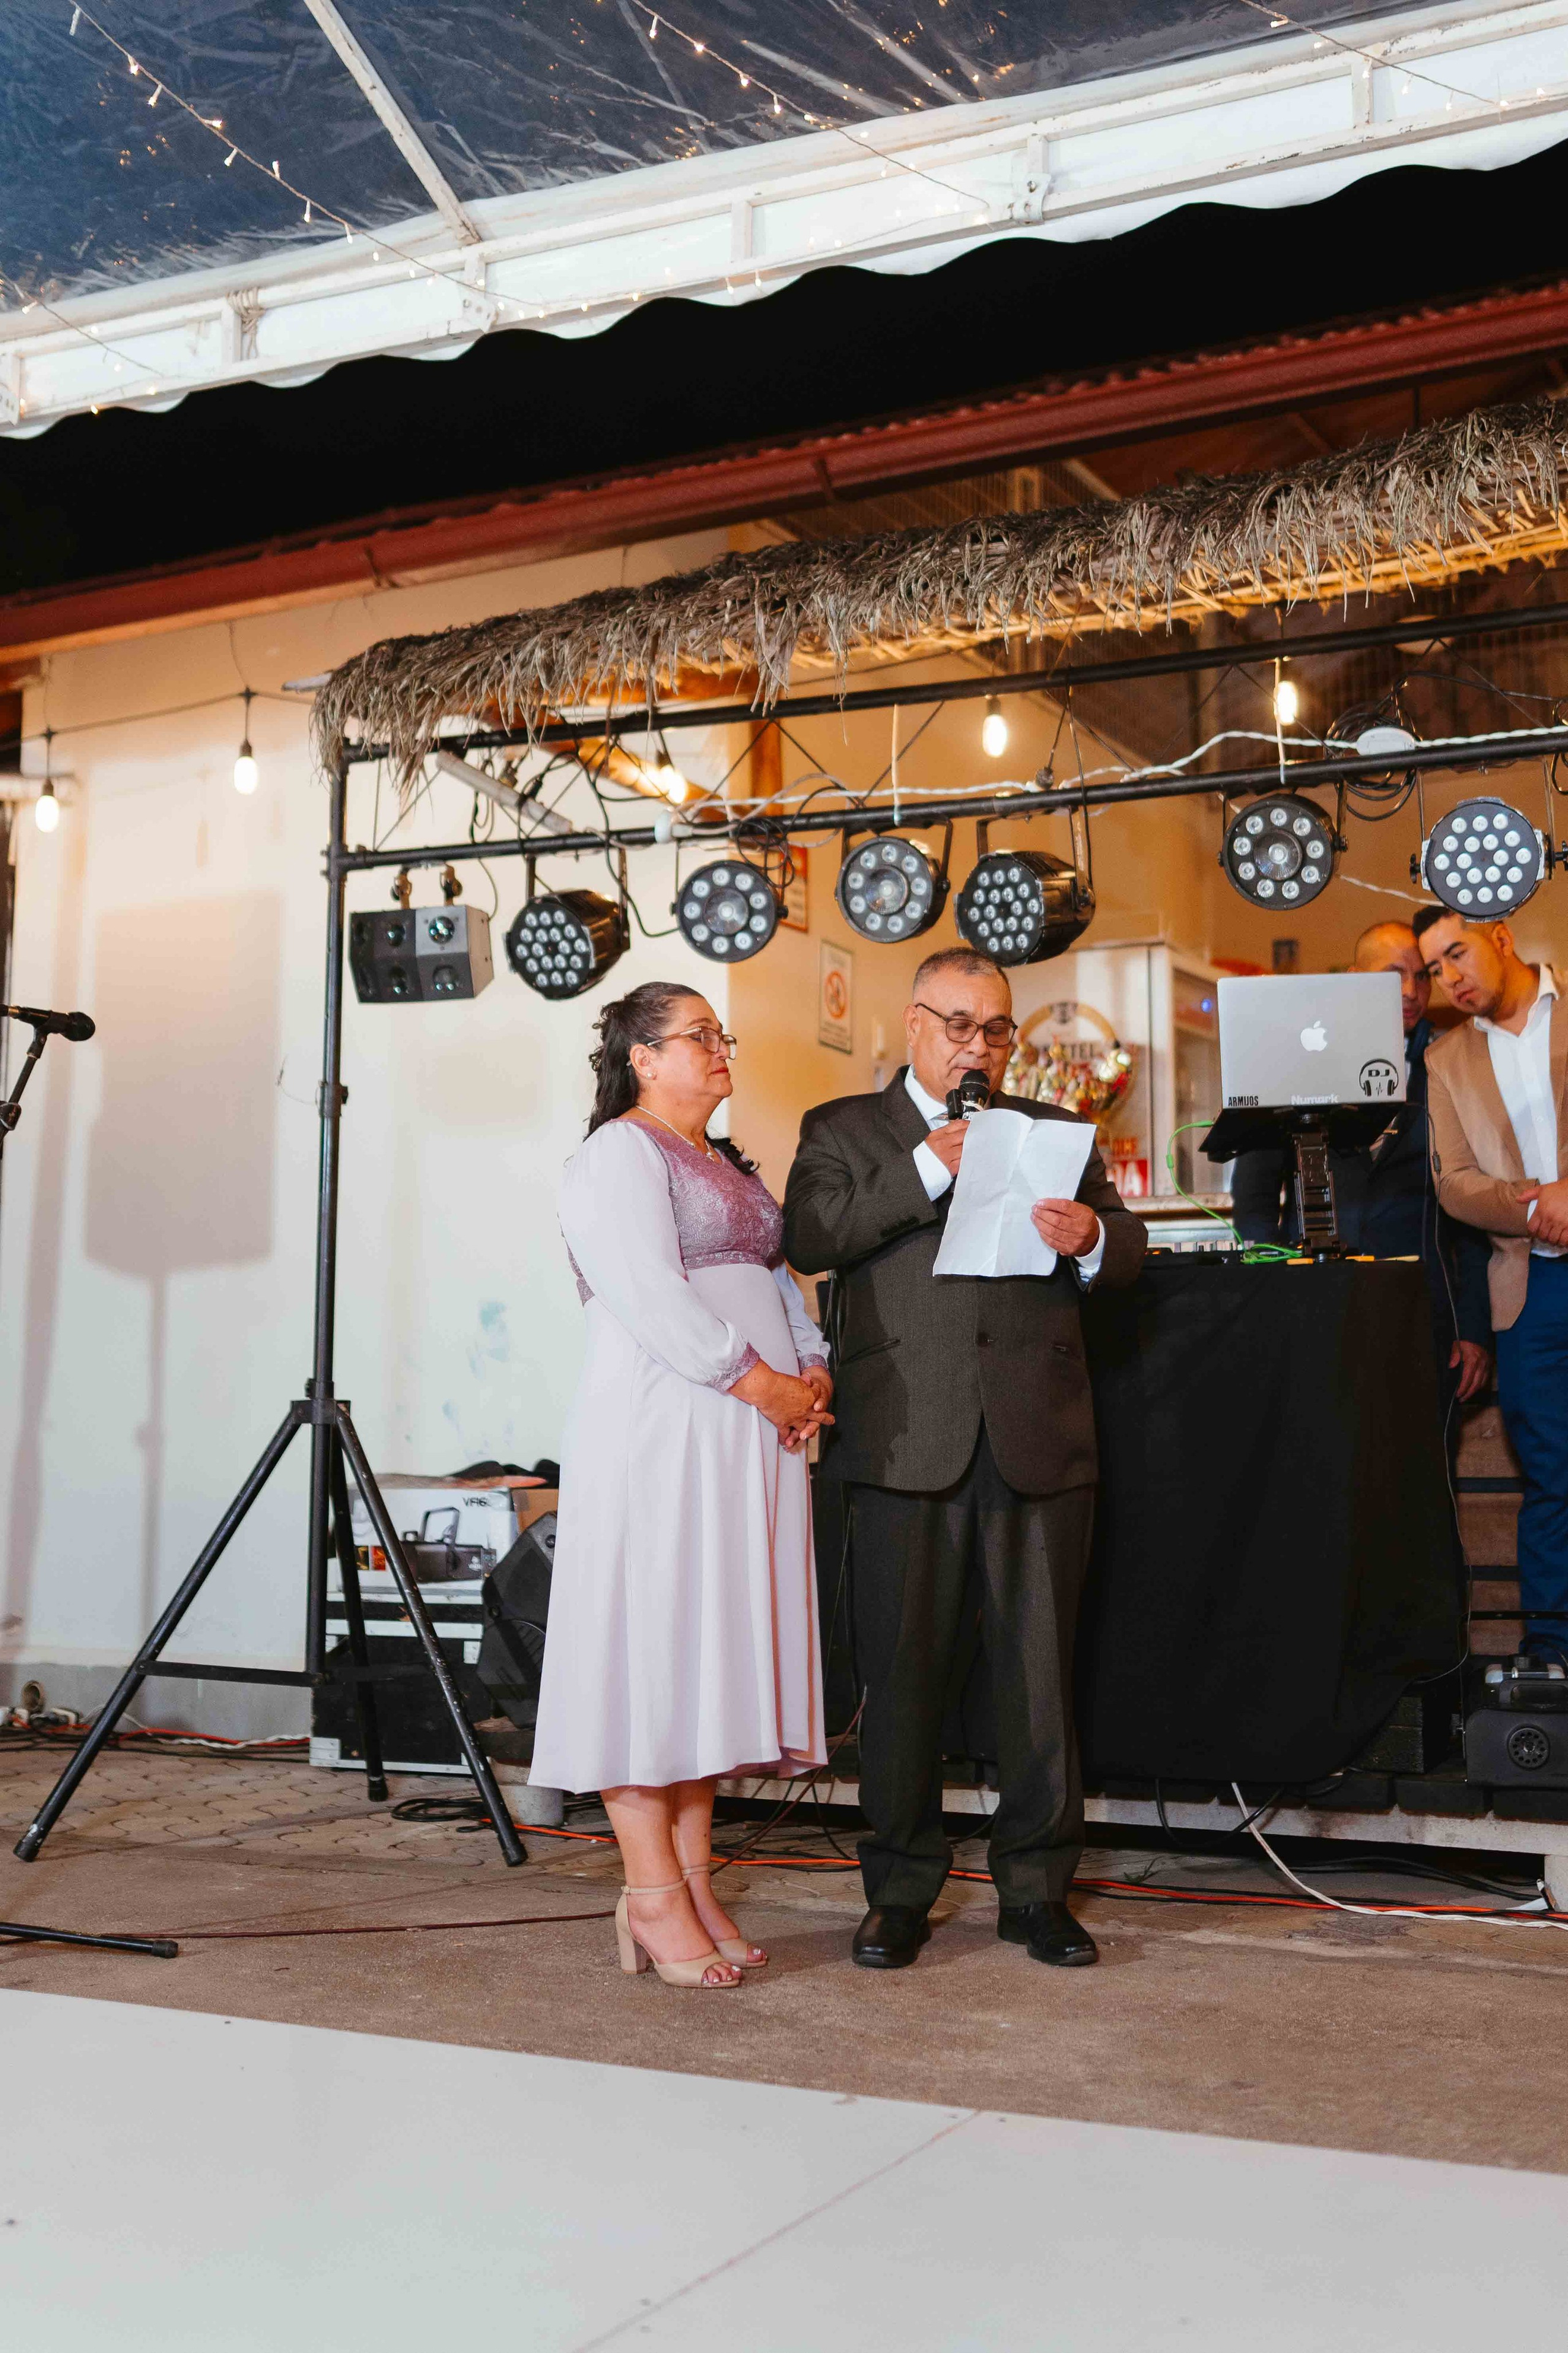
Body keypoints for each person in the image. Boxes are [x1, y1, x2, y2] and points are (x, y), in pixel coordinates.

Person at [783, 946, 1146, 1973]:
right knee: (901, 1685)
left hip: (1037, 1434)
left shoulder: (1053, 1132)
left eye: (995, 1030)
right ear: (911, 1024)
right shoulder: (843, 1130)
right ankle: (899, 1891)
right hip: (904, 1441)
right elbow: (811, 1233)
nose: (977, 1047)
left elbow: (1127, 1251)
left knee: (1041, 1686)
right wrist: (932, 1163)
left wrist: (1086, 1238)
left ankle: (1037, 1893)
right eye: (958, 1026)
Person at [530, 981, 833, 1990]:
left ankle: (695, 1882)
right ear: (641, 1056)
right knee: (647, 1647)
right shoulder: (618, 1152)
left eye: (720, 1033)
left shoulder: (724, 1160)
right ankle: (652, 1894)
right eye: (697, 1035)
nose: (719, 1048)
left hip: (746, 1429)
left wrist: (813, 1370)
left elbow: (781, 1284)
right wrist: (762, 1382)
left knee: (706, 1653)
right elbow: (649, 1293)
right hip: (668, 1426)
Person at [1230, 920, 1491, 1416]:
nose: (1412, 992)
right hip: (1314, 1305)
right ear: (1354, 978)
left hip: (1424, 1312)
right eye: (1395, 976)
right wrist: (1278, 1285)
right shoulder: (1297, 1062)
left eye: (1422, 977)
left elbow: (1471, 1212)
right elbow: (1255, 1200)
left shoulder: (1450, 1064)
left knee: (1424, 1477)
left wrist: (1474, 1327)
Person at [1418, 905, 1568, 1668]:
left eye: (1457, 954)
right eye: (1435, 967)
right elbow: (1455, 1187)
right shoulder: (1444, 1058)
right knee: (1551, 1478)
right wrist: (1543, 1202)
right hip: (1527, 1289)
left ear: (1502, 937)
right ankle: (1551, 1657)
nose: (1449, 978)